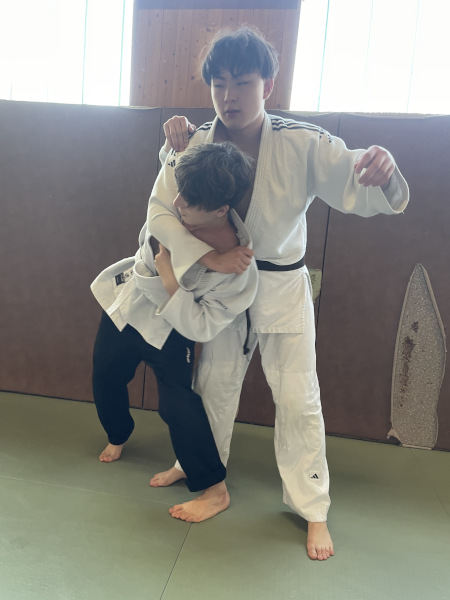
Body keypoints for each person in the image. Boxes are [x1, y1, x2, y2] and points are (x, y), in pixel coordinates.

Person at [148, 27, 409, 560]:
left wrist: (382, 171)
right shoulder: (195, 141)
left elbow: (356, 178)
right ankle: (200, 468)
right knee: (212, 384)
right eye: (219, 84)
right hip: (220, 282)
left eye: (243, 82)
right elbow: (162, 210)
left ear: (268, 85)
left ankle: (312, 507)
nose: (230, 96)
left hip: (283, 284)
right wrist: (206, 258)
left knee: (297, 396)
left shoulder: (302, 140)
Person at [91, 141, 258, 522]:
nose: (178, 201)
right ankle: (118, 433)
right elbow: (156, 221)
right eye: (179, 192)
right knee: (105, 373)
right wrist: (208, 257)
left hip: (173, 326)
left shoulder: (239, 268)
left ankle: (214, 488)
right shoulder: (180, 196)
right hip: (131, 305)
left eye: (189, 200)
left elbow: (200, 325)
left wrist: (170, 278)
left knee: (177, 403)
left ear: (221, 209)